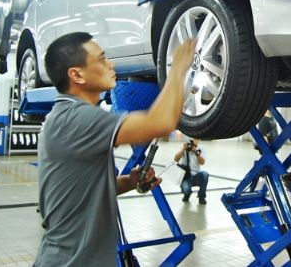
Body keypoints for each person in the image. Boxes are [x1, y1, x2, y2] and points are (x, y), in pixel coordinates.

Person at [34, 32, 196, 267]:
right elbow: (161, 122)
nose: (111, 64)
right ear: (76, 75)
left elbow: (85, 192)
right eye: (101, 59)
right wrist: (178, 66)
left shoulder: (66, 116)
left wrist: (129, 182)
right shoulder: (77, 118)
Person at [174, 138, 209, 204]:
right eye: (192, 139)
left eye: (195, 139)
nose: (193, 141)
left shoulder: (201, 148)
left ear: (199, 140)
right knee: (186, 190)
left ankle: (202, 197)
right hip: (186, 175)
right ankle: (187, 194)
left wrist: (196, 153)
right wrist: (183, 149)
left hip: (197, 175)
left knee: (205, 174)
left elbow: (202, 162)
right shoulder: (184, 147)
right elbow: (176, 159)